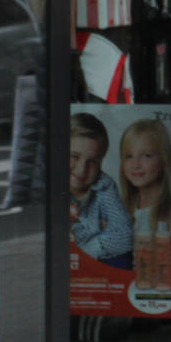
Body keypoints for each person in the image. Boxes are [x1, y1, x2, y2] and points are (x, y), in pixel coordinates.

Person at [69, 112, 134, 268]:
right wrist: (103, 232)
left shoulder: (104, 184)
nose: (81, 169)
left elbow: (127, 236)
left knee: (122, 258)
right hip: (63, 267)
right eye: (74, 156)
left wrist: (90, 247)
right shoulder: (54, 183)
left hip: (92, 262)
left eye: (92, 161)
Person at [119, 118, 171, 235]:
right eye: (129, 156)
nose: (135, 165)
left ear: (164, 160)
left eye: (147, 156)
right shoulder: (123, 208)